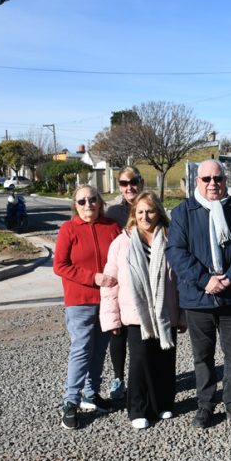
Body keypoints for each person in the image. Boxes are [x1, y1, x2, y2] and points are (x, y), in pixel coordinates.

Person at [166, 159, 231, 429]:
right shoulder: (183, 212)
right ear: (197, 181)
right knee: (202, 356)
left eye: (217, 179)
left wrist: (229, 278)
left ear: (225, 180)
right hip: (199, 297)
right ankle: (205, 405)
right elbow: (176, 252)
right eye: (206, 179)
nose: (212, 184)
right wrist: (206, 280)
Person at [100, 191, 185, 430]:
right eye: (140, 212)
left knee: (164, 359)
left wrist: (183, 315)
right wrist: (112, 320)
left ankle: (163, 403)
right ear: (133, 215)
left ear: (159, 212)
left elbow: (181, 281)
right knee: (139, 361)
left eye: (150, 211)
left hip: (166, 311)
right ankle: (138, 408)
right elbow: (110, 282)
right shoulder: (122, 242)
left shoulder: (171, 239)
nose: (145, 216)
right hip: (135, 314)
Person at [53, 184, 121, 430]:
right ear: (75, 205)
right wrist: (93, 278)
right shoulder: (68, 229)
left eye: (92, 199)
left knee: (99, 349)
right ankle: (70, 401)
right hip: (80, 301)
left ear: (99, 202)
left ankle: (91, 394)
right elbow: (60, 265)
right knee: (81, 349)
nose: (87, 205)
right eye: (81, 201)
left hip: (107, 301)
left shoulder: (112, 227)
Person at [103, 166, 144, 401]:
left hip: (145, 277)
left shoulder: (151, 204)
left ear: (141, 182)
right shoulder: (112, 211)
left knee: (141, 332)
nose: (130, 187)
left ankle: (144, 376)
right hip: (121, 277)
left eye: (134, 181)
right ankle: (118, 377)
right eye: (124, 183)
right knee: (118, 331)